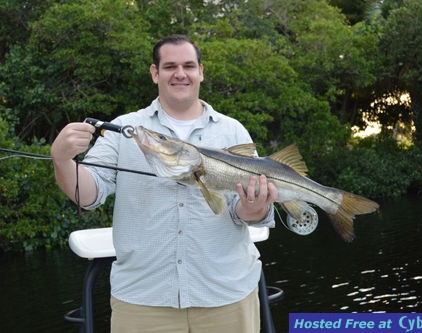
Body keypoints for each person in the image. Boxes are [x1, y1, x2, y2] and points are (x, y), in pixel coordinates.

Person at [51, 34, 278, 333]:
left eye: (189, 65)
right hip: (142, 301)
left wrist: (254, 208)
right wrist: (62, 160)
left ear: (201, 72)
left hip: (226, 294)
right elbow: (89, 193)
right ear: (155, 73)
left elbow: (245, 213)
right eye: (170, 66)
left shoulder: (232, 130)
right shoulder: (125, 128)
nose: (180, 73)